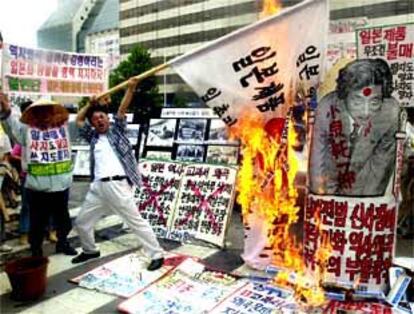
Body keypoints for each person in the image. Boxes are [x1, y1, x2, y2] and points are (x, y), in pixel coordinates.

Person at [72, 78, 164, 271]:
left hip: (118, 186)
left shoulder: (117, 132)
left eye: (102, 117)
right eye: (95, 119)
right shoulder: (93, 137)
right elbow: (78, 120)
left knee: (135, 221)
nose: (99, 121)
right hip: (98, 188)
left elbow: (122, 110)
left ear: (108, 119)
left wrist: (130, 89)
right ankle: (90, 250)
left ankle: (156, 253)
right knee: (82, 222)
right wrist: (89, 104)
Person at [310, 58, 401, 196]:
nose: (365, 111)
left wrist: (361, 204)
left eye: (374, 102)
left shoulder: (390, 113)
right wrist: (323, 199)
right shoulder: (326, 108)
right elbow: (318, 161)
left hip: (362, 184)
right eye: (357, 101)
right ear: (344, 96)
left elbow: (380, 167)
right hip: (329, 179)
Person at [0, 93, 76, 257]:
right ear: (35, 114)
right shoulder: (27, 131)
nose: (45, 115)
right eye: (41, 111)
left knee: (63, 220)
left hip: (61, 184)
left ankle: (63, 243)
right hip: (37, 187)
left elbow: (82, 118)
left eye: (48, 111)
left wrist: (94, 104)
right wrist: (5, 107)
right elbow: (11, 127)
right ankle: (36, 251)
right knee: (37, 223)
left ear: (53, 112)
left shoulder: (63, 128)